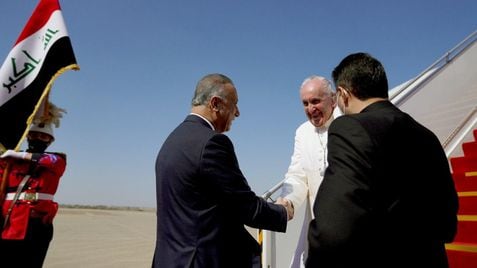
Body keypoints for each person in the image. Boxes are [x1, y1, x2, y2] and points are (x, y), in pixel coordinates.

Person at [306, 52, 459, 268]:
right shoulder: (427, 136)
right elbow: (447, 225)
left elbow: (332, 229)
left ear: (342, 93)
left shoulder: (350, 128)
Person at [151, 73, 292, 268]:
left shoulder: (172, 141)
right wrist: (283, 211)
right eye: (234, 104)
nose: (237, 113)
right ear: (215, 104)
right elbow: (245, 207)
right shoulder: (212, 143)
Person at [279, 75, 339, 268]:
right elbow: (297, 175)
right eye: (305, 103)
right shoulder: (302, 132)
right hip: (317, 224)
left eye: (315, 101)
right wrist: (288, 201)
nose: (310, 108)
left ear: (333, 99)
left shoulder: (349, 124)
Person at [0, 102, 67, 268]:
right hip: (9, 222)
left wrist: (18, 154)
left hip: (36, 224)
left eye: (44, 137)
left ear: (50, 141)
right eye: (34, 135)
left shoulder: (57, 159)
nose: (38, 139)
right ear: (27, 136)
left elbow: (48, 161)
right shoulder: (10, 162)